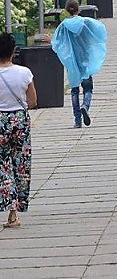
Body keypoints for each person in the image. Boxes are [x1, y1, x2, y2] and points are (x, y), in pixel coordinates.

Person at [51, 0, 108, 128]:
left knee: (74, 90)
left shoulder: (63, 26)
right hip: (86, 60)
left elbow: (57, 43)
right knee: (88, 88)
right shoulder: (86, 23)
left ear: (66, 10)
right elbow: (99, 32)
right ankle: (85, 106)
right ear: (79, 9)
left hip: (72, 62)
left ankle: (77, 120)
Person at [0, 33, 37, 229]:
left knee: (2, 165)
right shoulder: (25, 73)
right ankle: (16, 210)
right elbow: (32, 101)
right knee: (20, 164)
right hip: (20, 121)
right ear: (13, 52)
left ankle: (11, 210)